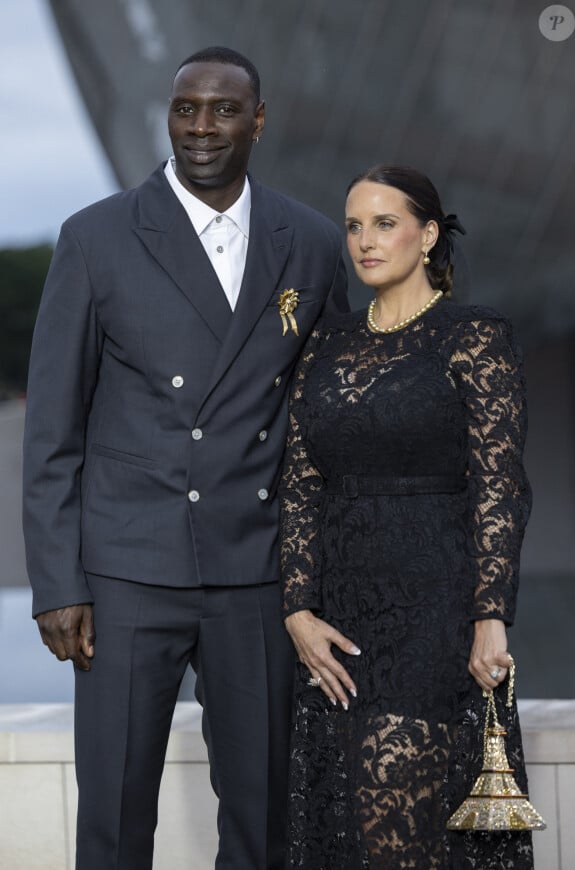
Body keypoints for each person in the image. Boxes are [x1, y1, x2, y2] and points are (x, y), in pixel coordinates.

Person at [22, 46, 348, 870]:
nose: (202, 128)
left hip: (259, 572)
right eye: (186, 110)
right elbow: (52, 432)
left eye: (224, 110)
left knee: (266, 817)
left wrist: (324, 576)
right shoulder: (95, 238)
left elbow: (328, 423)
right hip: (129, 574)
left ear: (259, 121)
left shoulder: (308, 242)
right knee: (116, 812)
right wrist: (59, 584)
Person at [280, 165, 534, 868]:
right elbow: (300, 486)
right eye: (355, 225)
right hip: (338, 619)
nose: (365, 241)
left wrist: (490, 615)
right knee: (348, 821)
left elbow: (499, 484)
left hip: (436, 609)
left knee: (405, 818)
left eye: (384, 224)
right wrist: (298, 610)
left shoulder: (473, 337)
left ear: (427, 235)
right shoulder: (323, 348)